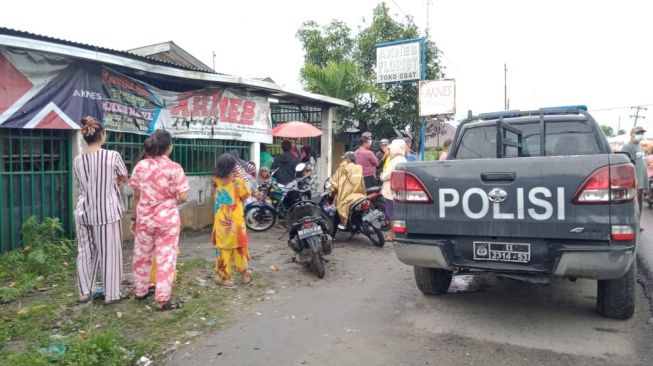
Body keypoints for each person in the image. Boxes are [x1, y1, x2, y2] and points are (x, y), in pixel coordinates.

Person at [130, 129, 190, 311]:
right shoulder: (174, 168)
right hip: (167, 221)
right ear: (169, 148)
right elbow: (184, 197)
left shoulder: (140, 166)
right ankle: (162, 299)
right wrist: (170, 200)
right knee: (166, 257)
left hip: (145, 219)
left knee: (142, 256)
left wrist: (134, 218)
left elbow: (136, 196)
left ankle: (140, 291)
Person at [73, 116, 128, 305]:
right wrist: (114, 183)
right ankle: (112, 294)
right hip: (107, 212)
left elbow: (80, 185)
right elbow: (123, 176)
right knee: (109, 252)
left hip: (83, 212)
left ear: (84, 137)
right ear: (102, 135)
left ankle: (83, 292)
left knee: (85, 252)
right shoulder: (112, 156)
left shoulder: (78, 160)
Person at [212, 153, 253, 287]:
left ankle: (224, 278)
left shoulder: (215, 181)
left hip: (221, 221)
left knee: (223, 248)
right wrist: (241, 177)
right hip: (236, 221)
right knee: (239, 247)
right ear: (232, 168)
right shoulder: (237, 182)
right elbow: (246, 195)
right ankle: (245, 274)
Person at [330, 151, 366, 230]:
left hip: (345, 197)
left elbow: (334, 181)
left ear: (349, 159)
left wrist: (332, 189)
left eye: (345, 159)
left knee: (339, 207)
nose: (343, 160)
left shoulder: (342, 168)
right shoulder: (358, 168)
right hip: (359, 195)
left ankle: (342, 224)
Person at [381, 139, 408, 241]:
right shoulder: (404, 160)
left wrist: (381, 176)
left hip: (391, 192)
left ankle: (393, 235)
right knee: (398, 214)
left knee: (391, 215)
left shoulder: (394, 161)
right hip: (400, 192)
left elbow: (386, 176)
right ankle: (397, 233)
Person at [621, 126, 649, 213]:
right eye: (637, 133)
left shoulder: (639, 146)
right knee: (633, 206)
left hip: (641, 181)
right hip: (634, 182)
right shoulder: (627, 147)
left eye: (641, 133)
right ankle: (634, 225)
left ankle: (638, 225)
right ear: (631, 134)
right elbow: (624, 166)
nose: (640, 135)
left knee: (639, 204)